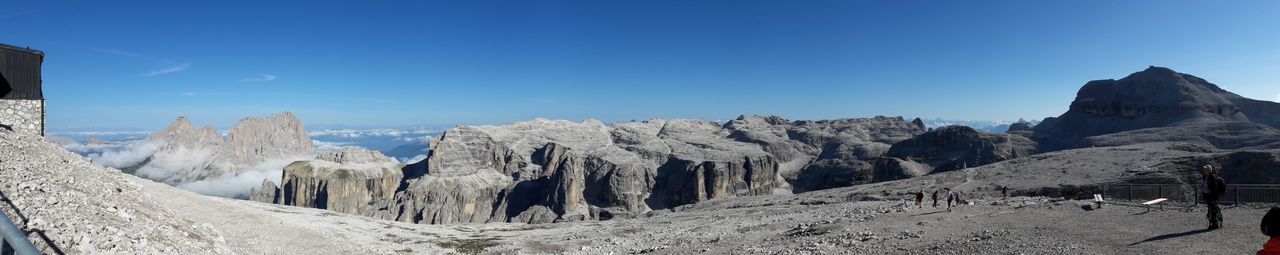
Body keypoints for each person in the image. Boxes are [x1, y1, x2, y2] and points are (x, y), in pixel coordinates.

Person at [1203, 165, 1226, 230]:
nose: (1204, 171)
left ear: (1209, 170)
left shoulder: (1212, 177)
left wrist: (1214, 198)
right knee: (1210, 210)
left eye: (1205, 170)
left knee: (1213, 210)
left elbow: (1214, 189)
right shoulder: (1206, 177)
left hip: (1212, 197)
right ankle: (1212, 223)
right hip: (1208, 196)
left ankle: (1215, 224)